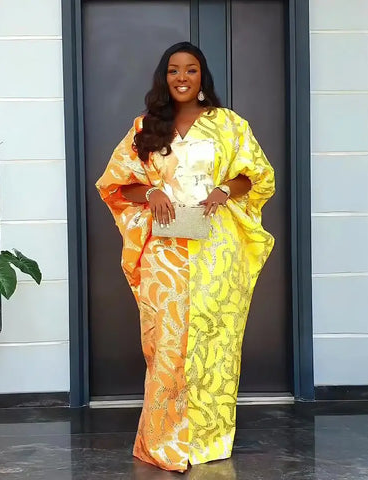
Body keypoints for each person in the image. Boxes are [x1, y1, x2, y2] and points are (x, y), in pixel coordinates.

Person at [96, 41, 275, 473]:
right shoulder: (145, 127)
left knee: (217, 341)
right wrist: (151, 192)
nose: (182, 77)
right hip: (166, 252)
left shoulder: (229, 124)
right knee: (168, 342)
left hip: (216, 249)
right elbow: (117, 185)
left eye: (190, 70)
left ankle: (210, 440)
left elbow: (256, 177)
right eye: (174, 70)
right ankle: (165, 441)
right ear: (165, 77)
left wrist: (225, 189)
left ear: (201, 76)